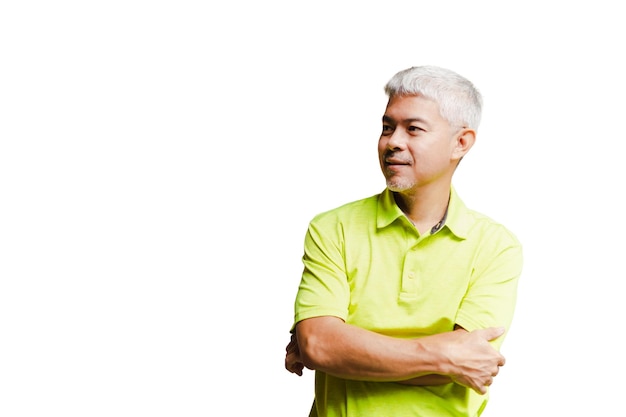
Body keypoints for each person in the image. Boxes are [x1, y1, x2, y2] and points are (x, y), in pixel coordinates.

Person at [284, 65, 523, 417]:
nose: (393, 141)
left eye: (413, 129)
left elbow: (473, 363)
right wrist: (446, 356)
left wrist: (346, 351)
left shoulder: (497, 246)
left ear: (461, 142)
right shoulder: (332, 228)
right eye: (387, 127)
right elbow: (319, 345)